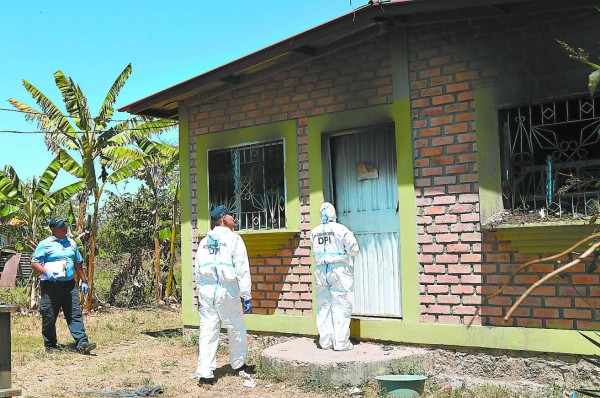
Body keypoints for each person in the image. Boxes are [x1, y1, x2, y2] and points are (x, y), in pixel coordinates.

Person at [193, 205, 252, 386]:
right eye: (231, 216)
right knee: (235, 327)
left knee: (208, 330)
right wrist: (246, 295)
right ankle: (238, 364)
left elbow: (198, 271)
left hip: (207, 291)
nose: (234, 219)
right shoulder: (234, 239)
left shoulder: (204, 242)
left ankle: (205, 373)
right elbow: (242, 268)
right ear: (224, 218)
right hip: (227, 290)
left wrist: (199, 292)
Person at [30, 217, 96, 354]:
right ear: (53, 229)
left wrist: (83, 280)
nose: (65, 228)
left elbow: (77, 262)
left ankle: (82, 343)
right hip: (51, 285)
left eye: (65, 225)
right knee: (49, 315)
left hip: (69, 286)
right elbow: (34, 263)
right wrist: (46, 272)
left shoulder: (71, 243)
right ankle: (50, 345)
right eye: (61, 226)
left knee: (74, 314)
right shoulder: (45, 244)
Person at [310, 202, 359, 351]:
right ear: (334, 214)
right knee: (341, 304)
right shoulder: (340, 229)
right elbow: (354, 249)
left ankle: (325, 342)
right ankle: (341, 343)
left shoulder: (315, 231)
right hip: (338, 270)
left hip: (320, 271)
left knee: (324, 306)